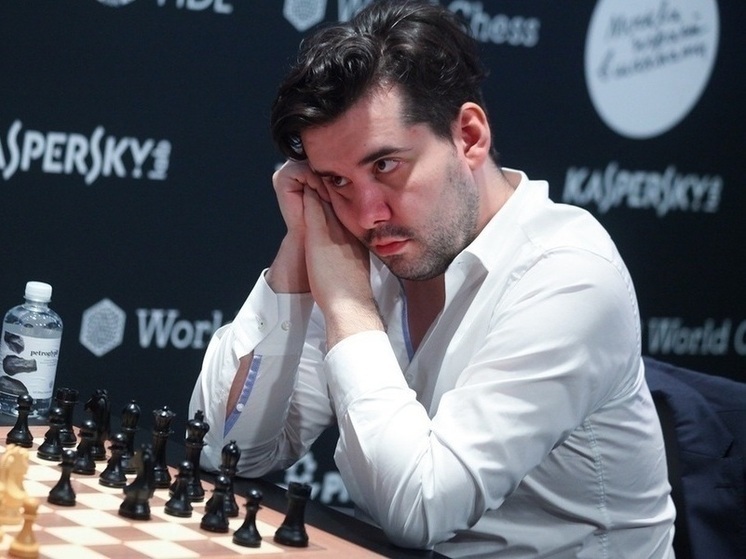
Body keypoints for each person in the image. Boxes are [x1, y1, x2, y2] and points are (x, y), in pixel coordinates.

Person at [189, 1, 676, 556]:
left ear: (468, 136)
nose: (367, 213)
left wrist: (348, 307)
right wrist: (297, 253)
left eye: (385, 166)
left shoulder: (569, 275)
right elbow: (226, 450)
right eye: (336, 182)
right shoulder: (367, 251)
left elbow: (419, 510)